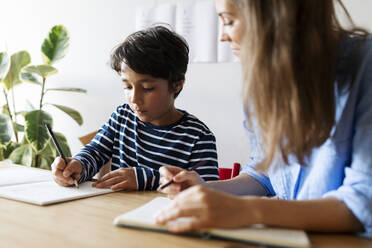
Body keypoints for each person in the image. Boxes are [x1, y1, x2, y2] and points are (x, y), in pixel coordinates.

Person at [155, 0, 372, 238]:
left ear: (276, 17)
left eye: (228, 21)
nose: (223, 37)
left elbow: (362, 205)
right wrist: (206, 191)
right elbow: (265, 175)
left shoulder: (365, 67)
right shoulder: (266, 85)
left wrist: (247, 210)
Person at [51, 26, 219, 191]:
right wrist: (78, 166)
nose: (134, 98)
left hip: (162, 216)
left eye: (147, 88)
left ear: (176, 84)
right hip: (115, 212)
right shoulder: (122, 116)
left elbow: (206, 192)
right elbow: (96, 151)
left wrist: (144, 179)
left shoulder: (198, 137)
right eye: (128, 87)